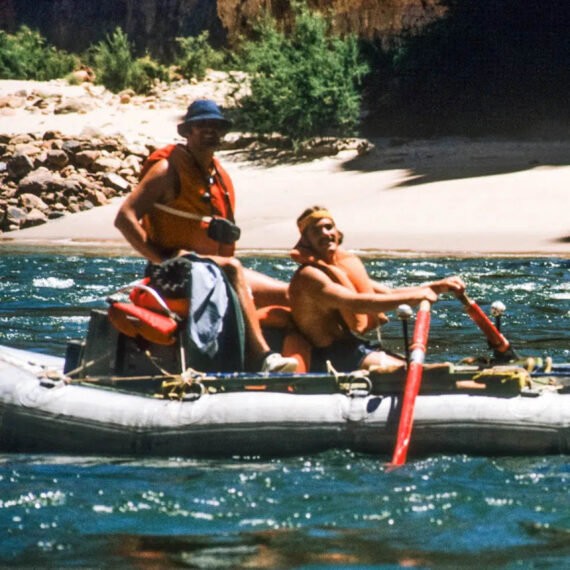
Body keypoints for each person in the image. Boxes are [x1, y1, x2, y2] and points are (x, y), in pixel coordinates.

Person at [114, 99, 296, 373]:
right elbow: (124, 217)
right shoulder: (166, 170)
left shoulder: (218, 176)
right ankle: (262, 358)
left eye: (216, 126)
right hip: (174, 274)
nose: (210, 131)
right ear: (187, 131)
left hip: (216, 272)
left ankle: (312, 363)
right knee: (234, 268)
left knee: (290, 293)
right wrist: (162, 260)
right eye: (202, 126)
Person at [288, 206, 467, 372]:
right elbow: (355, 303)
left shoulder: (338, 269)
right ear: (306, 240)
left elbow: (388, 294)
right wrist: (415, 298)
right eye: (316, 231)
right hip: (333, 356)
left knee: (431, 370)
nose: (325, 234)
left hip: (354, 348)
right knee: (431, 373)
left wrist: (436, 287)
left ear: (337, 231)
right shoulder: (309, 276)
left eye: (328, 227)